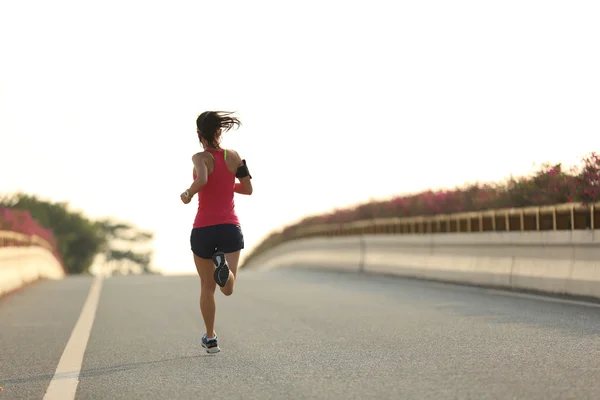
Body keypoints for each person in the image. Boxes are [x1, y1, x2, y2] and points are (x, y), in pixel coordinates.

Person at [180, 111, 253, 354]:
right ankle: (224, 268)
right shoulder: (234, 156)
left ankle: (210, 338)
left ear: (199, 135)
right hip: (229, 228)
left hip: (203, 228)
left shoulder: (199, 157)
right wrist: (225, 184)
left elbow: (201, 179)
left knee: (206, 286)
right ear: (220, 132)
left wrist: (188, 194)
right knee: (228, 288)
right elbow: (248, 188)